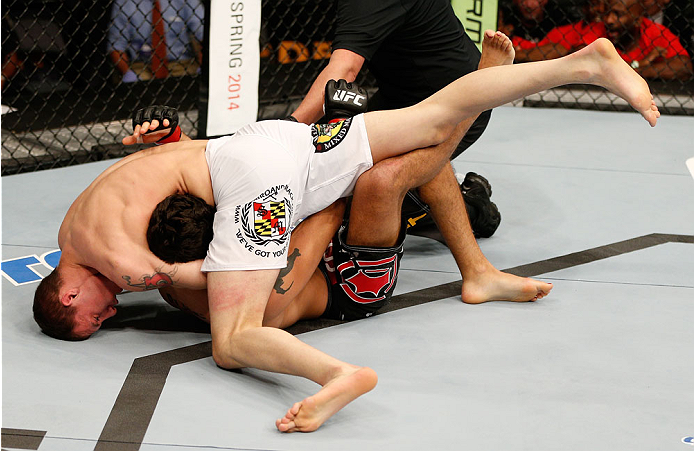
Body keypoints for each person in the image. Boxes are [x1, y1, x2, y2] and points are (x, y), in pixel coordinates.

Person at [33, 34, 660, 432]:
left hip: (252, 182)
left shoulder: (108, 256)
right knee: (432, 115)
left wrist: (201, 272)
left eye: (94, 316)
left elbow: (157, 276)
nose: (110, 312)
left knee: (235, 337)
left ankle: (336, 375)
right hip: (267, 141)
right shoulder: (75, 219)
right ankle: (586, 62)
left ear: (67, 296)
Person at [289, 0, 502, 245]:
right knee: (320, 173)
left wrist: (287, 130)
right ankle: (418, 198)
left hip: (456, 107)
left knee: (355, 202)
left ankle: (469, 207)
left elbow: (345, 70)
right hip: (398, 101)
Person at [522, 0, 693, 79]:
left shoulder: (655, 32)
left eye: (618, 15)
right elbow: (578, 58)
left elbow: (683, 66)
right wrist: (641, 64)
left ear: (637, 19)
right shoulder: (598, 30)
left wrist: (621, 70)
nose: (609, 20)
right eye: (608, 13)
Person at [107, 0, 204, 83]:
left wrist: (206, 65)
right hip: (142, 66)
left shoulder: (186, 1)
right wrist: (127, 72)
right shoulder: (124, 3)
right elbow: (116, 45)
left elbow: (202, 34)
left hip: (182, 64)